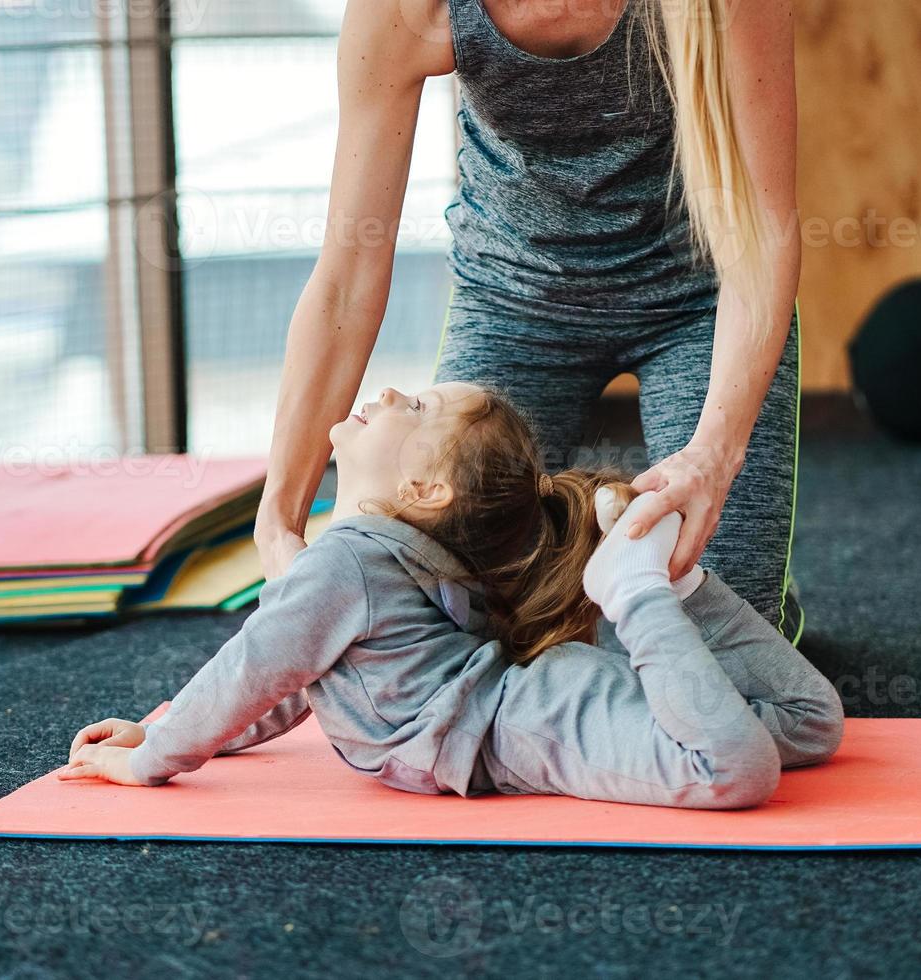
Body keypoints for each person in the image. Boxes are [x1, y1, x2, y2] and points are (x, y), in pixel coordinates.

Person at [254, 0, 805, 641]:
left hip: (697, 301)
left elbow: (762, 232)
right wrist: (278, 521)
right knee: (440, 627)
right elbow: (347, 278)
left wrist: (713, 456)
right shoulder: (406, 10)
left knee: (726, 646)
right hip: (512, 303)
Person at [60, 384, 841, 808]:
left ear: (424, 487)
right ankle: (672, 583)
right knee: (806, 723)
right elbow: (291, 678)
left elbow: (251, 668)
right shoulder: (391, 560)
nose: (396, 392)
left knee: (734, 771)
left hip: (527, 726)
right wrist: (175, 737)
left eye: (422, 409)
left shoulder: (344, 564)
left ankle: (636, 586)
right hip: (538, 703)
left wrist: (156, 761)